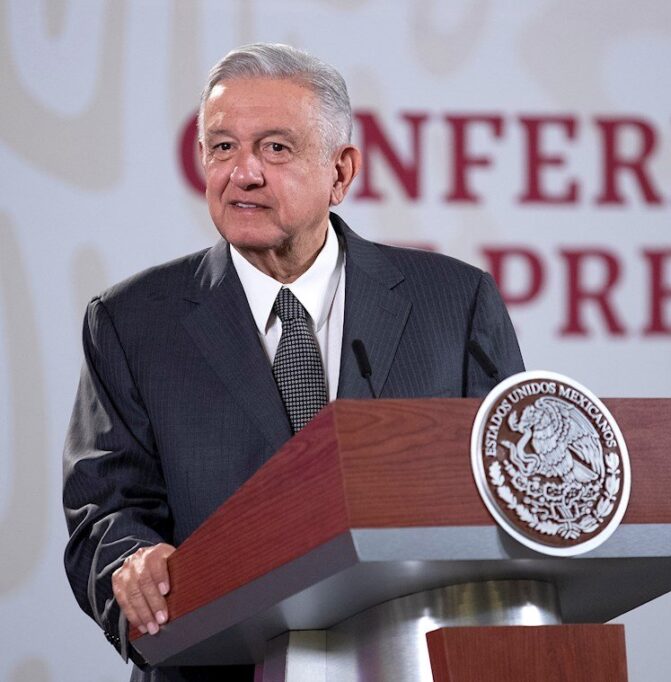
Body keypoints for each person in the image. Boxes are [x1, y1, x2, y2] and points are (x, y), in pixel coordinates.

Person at [63, 43, 524, 682]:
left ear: (341, 171)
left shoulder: (455, 302)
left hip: (412, 659)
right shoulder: (132, 322)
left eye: (275, 148)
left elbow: (510, 489)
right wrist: (134, 564)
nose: (242, 172)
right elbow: (104, 513)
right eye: (221, 147)